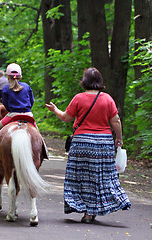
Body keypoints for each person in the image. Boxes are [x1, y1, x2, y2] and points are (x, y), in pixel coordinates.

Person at [45, 67, 131, 224]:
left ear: (84, 82)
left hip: (82, 143)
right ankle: (97, 209)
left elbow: (66, 117)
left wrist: (55, 109)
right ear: (100, 81)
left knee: (81, 177)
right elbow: (116, 120)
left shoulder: (79, 98)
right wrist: (118, 138)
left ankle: (87, 212)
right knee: (101, 177)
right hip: (103, 145)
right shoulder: (107, 99)